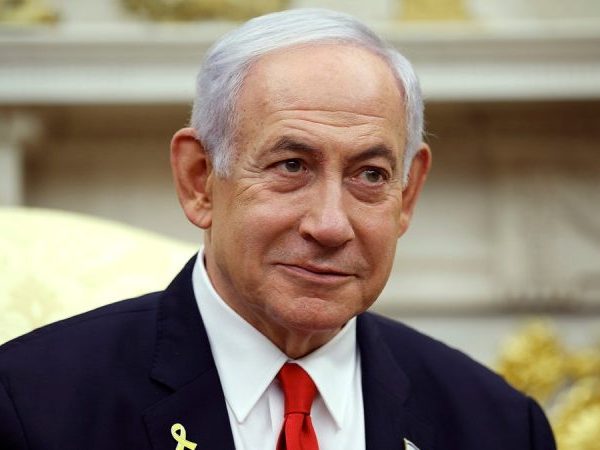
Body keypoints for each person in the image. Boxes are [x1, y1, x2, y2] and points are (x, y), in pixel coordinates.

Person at [0, 8, 555, 450]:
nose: (330, 225)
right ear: (199, 180)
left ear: (406, 195)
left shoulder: (500, 426)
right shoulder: (29, 403)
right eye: (292, 166)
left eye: (370, 174)